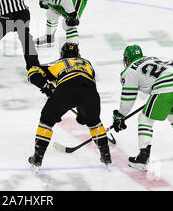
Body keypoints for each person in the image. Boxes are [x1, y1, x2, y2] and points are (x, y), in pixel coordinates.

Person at [27, 42, 111, 173]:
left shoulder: (58, 63)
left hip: (66, 91)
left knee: (46, 121)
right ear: (78, 54)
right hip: (90, 93)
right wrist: (83, 114)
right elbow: (84, 86)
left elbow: (32, 72)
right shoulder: (87, 63)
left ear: (62, 55)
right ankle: (106, 156)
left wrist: (46, 87)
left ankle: (38, 157)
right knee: (94, 122)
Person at [112, 44, 173, 171]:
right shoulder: (152, 58)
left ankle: (143, 158)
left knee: (145, 119)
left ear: (127, 59)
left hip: (165, 89)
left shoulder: (129, 71)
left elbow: (128, 97)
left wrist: (120, 115)